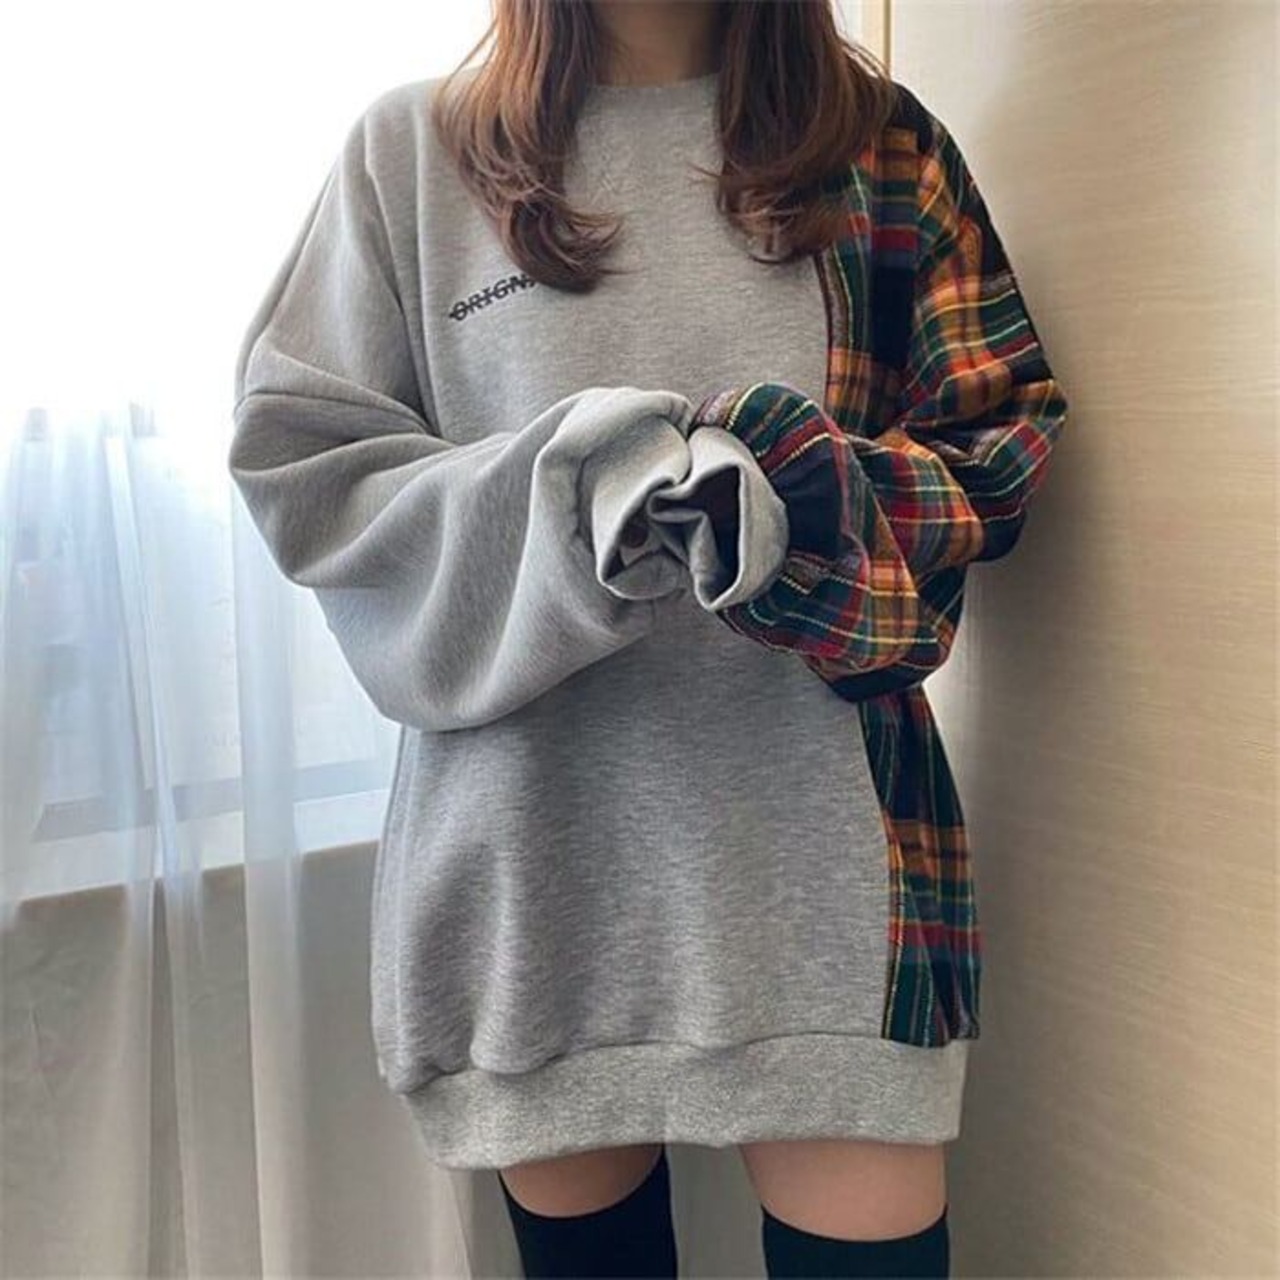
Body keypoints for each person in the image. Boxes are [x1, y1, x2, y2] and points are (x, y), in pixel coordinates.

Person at [226, 1, 1069, 1275]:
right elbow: (309, 473)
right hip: (537, 865)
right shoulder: (413, 155)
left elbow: (993, 449)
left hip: (836, 872)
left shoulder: (880, 148)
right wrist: (581, 490)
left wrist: (787, 490)